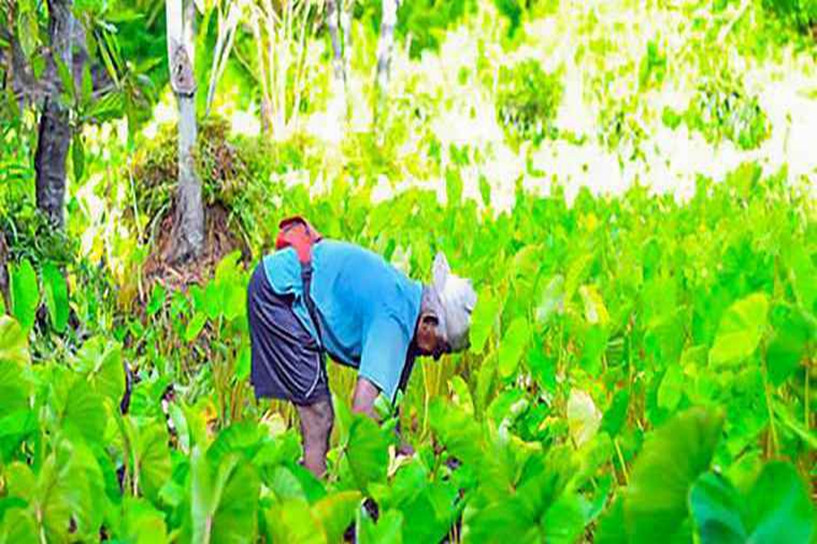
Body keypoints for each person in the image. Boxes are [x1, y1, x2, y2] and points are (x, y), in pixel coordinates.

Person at [247, 217, 477, 477]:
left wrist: (418, 466)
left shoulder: (409, 306)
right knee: (319, 417)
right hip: (280, 294)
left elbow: (387, 417)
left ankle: (320, 492)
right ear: (428, 323)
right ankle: (316, 507)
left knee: (322, 415)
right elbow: (365, 415)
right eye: (441, 348)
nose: (435, 358)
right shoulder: (395, 320)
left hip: (295, 285)